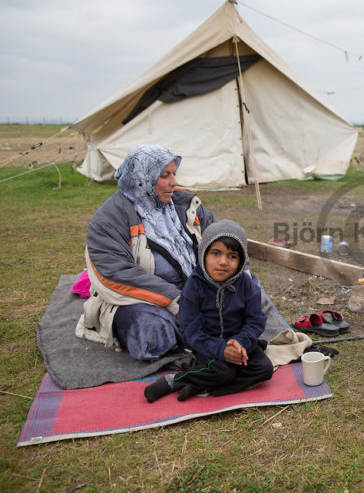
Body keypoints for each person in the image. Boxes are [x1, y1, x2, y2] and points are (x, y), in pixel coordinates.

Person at [76, 144, 216, 361]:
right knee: (152, 330)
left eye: (174, 174)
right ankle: (195, 333)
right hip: (140, 298)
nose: (174, 182)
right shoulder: (110, 219)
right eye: (165, 175)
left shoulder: (184, 204)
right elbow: (115, 274)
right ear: (143, 178)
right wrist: (179, 301)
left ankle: (197, 331)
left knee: (248, 293)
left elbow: (218, 240)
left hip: (193, 289)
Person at [144, 220, 274, 402]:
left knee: (264, 369)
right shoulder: (194, 286)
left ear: (242, 260)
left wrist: (240, 342)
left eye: (232, 256)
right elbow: (191, 331)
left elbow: (255, 320)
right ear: (204, 253)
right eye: (216, 253)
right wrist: (221, 350)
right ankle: (176, 380)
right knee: (223, 371)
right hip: (208, 345)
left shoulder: (246, 284)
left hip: (240, 344)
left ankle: (200, 385)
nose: (223, 262)